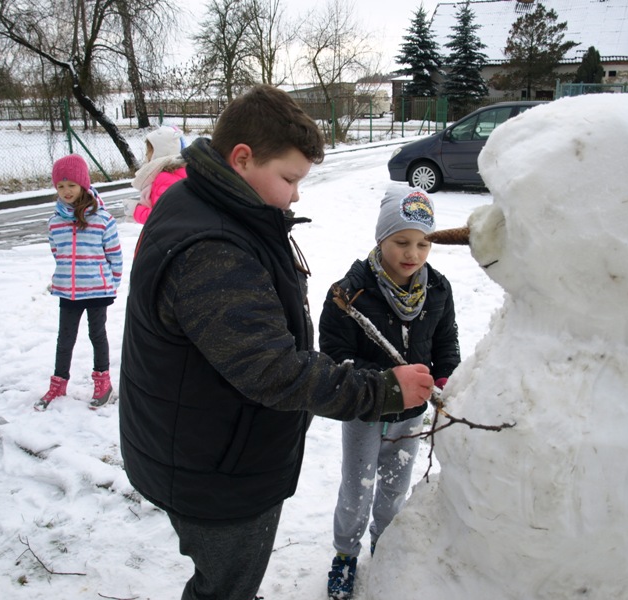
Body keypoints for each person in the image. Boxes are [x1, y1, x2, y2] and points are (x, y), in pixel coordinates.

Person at [118, 84, 435, 600]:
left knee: (227, 578)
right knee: (225, 584)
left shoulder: (202, 199)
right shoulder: (213, 248)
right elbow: (273, 371)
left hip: (205, 443)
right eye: (289, 178)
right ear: (242, 158)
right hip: (217, 470)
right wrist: (385, 390)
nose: (296, 193)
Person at [319, 184, 461, 600]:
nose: (412, 254)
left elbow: (445, 341)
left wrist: (446, 378)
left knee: (395, 485)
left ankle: (385, 541)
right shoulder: (351, 292)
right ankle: (345, 553)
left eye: (423, 244)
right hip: (365, 408)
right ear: (381, 238)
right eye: (401, 242)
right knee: (357, 484)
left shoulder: (437, 289)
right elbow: (334, 355)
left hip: (411, 412)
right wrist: (381, 385)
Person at [35, 154, 123, 411]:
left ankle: (103, 384)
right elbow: (57, 253)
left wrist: (111, 282)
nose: (66, 191)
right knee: (65, 339)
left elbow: (115, 255)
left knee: (97, 335)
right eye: (60, 186)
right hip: (68, 291)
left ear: (83, 184)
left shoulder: (102, 219)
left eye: (71, 185)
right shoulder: (55, 223)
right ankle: (59, 383)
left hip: (97, 289)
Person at [124, 125, 187, 224]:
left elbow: (162, 218)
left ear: (160, 151)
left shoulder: (165, 178)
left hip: (168, 237)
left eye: (149, 150)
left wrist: (135, 210)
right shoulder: (179, 172)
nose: (146, 155)